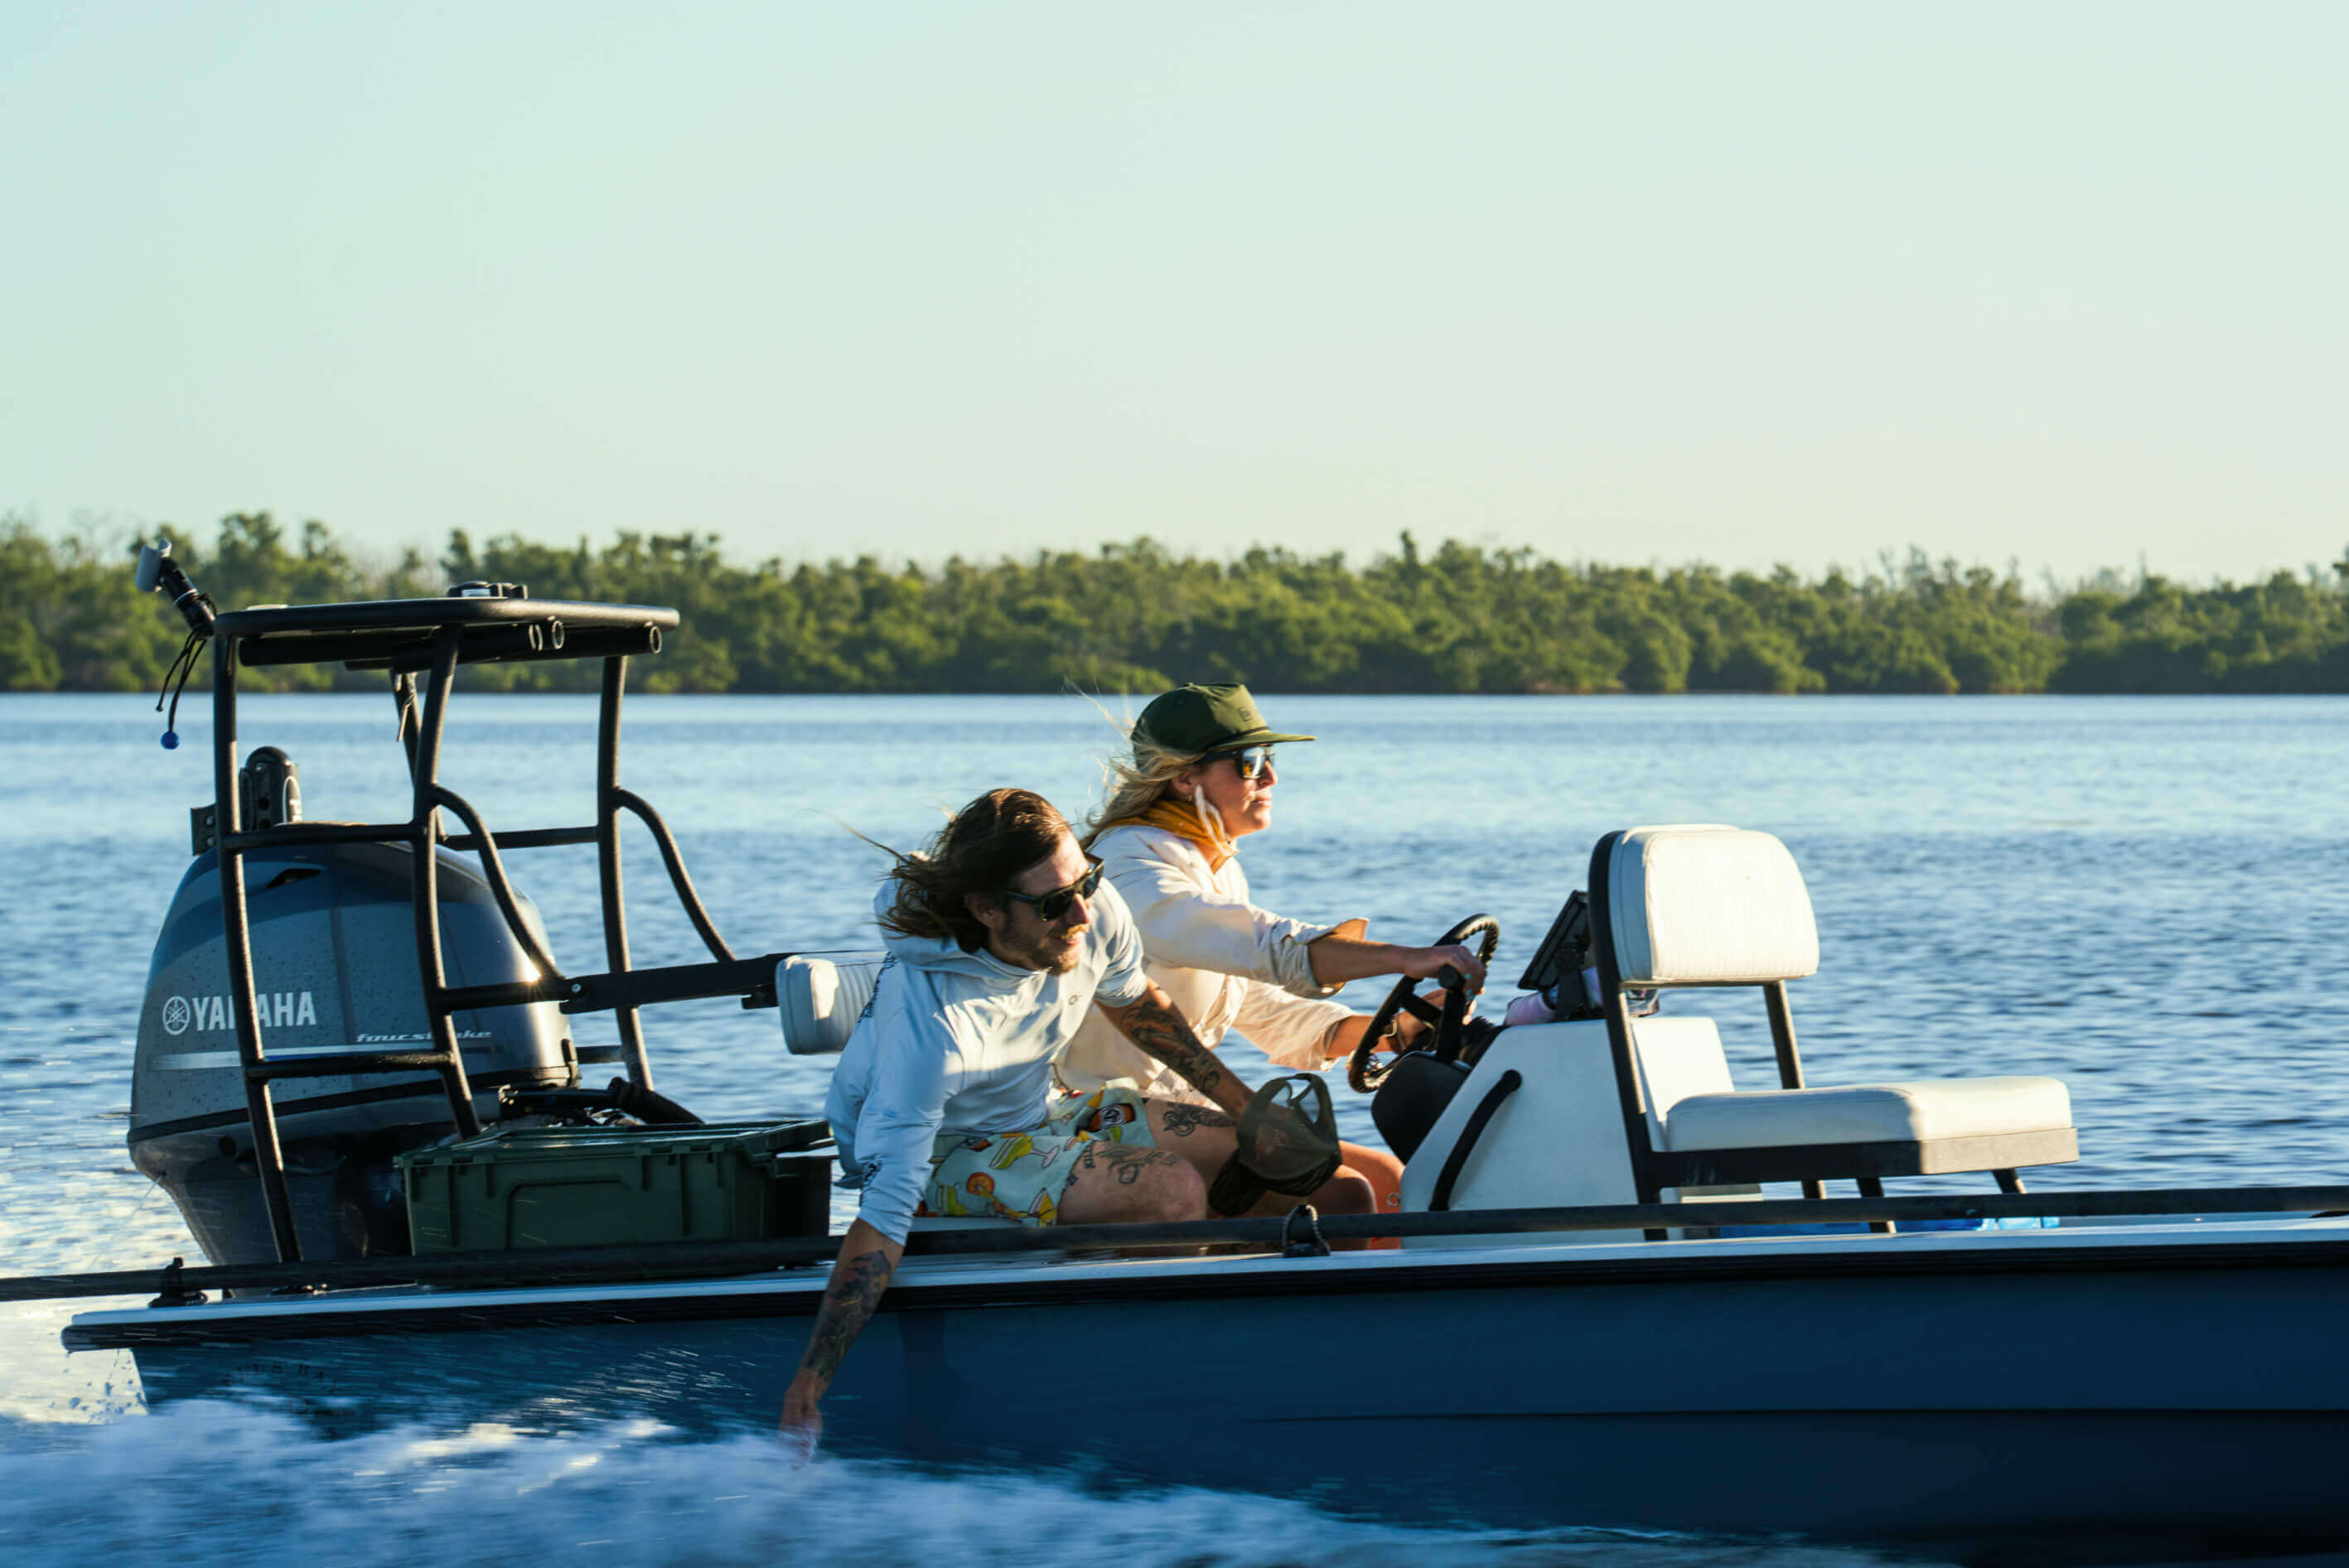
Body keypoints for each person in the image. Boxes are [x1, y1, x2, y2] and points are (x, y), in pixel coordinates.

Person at [779, 787, 1372, 1450]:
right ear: (985, 910)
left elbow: (1134, 1002)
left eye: (1086, 880)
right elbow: (884, 1211)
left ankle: (1316, 1364)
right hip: (941, 1153)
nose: (1083, 911)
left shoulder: (1087, 905)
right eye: (1055, 902)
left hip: (1043, 1112)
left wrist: (1245, 1111)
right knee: (1170, 1188)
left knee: (1324, 1180)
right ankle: (1169, 1388)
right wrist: (809, 1381)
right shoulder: (931, 1029)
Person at [1058, 683, 1487, 1217]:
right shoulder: (1129, 869)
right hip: (1090, 1111)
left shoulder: (1216, 867)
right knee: (1346, 1195)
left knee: (1389, 1179)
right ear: (1184, 775)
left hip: (1174, 1109)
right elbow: (1271, 948)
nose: (1270, 778)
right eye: (1248, 762)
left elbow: (1263, 1010)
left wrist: (1397, 1031)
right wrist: (1406, 958)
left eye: (1269, 759)